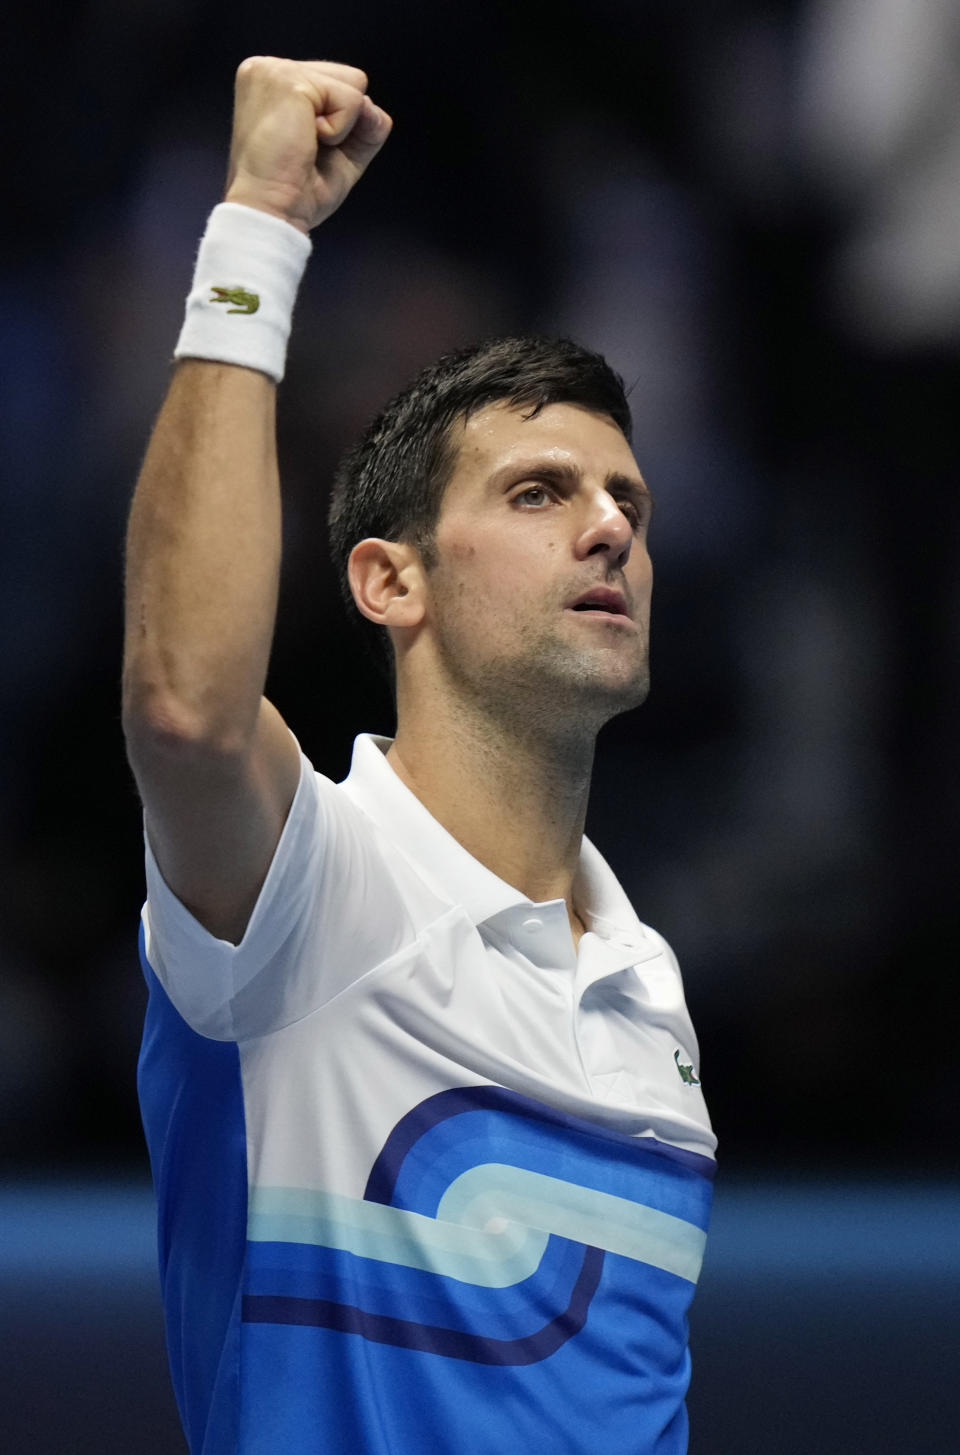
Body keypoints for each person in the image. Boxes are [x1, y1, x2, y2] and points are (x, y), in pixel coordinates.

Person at [122, 56, 717, 1455]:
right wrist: (258, 223)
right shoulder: (308, 890)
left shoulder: (654, 998)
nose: (611, 528)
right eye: (539, 493)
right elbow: (186, 707)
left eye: (627, 498)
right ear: (391, 582)